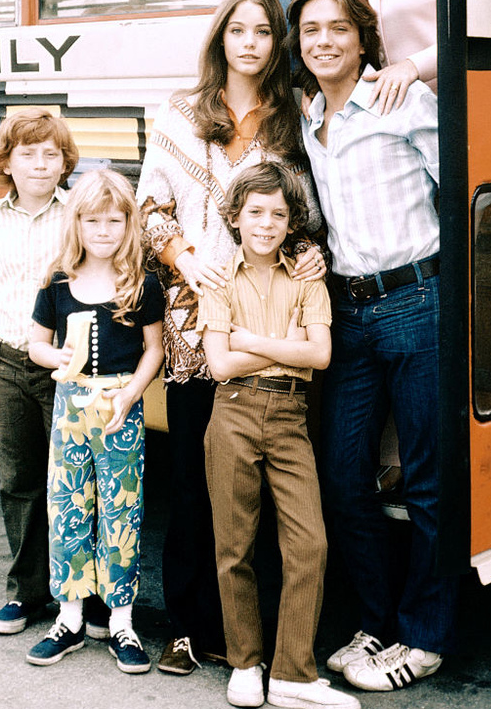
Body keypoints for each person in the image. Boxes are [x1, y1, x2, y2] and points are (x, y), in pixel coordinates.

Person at [137, 0, 326, 675]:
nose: (250, 43)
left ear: (277, 44)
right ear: (221, 37)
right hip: (193, 321)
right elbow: (150, 207)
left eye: (263, 32)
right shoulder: (181, 112)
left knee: (265, 486)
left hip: (270, 319)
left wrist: (309, 250)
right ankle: (189, 626)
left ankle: (259, 632)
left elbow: (305, 212)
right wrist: (185, 257)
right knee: (193, 478)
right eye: (238, 30)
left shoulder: (291, 117)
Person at [288, 0, 458, 691]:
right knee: (345, 478)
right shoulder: (305, 122)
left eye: (338, 29)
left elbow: (464, 180)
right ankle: (378, 622)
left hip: (416, 299)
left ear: (363, 39)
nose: (323, 41)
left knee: (425, 481)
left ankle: (425, 635)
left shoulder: (403, 101)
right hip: (348, 314)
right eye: (310, 31)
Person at [199, 162, 358, 709]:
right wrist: (279, 343)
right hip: (233, 414)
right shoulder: (219, 277)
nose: (266, 224)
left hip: (290, 418)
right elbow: (219, 366)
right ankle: (245, 664)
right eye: (256, 212)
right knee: (234, 544)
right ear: (236, 218)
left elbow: (320, 355)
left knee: (308, 542)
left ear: (292, 223)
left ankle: (293, 672)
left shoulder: (308, 279)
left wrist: (249, 338)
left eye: (279, 214)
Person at [26, 168, 164, 670]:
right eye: (92, 221)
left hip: (120, 407)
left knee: (121, 511)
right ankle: (70, 618)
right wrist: (57, 359)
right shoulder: (59, 283)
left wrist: (130, 393)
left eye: (113, 221)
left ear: (128, 225)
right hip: (71, 405)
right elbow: (36, 343)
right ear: (76, 224)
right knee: (67, 507)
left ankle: (122, 621)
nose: (103, 231)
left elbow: (154, 350)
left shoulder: (140, 284)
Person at [0, 108, 91, 635]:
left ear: (64, 164)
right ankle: (26, 593)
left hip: (68, 364)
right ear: (7, 163)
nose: (40, 165)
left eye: (51, 155)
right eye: (27, 155)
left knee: (79, 481)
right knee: (19, 480)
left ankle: (90, 595)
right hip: (10, 363)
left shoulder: (78, 215)